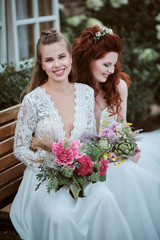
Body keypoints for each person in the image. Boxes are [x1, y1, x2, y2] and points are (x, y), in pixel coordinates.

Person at [10, 28, 134, 240]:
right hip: (45, 178)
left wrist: (87, 163)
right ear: (42, 65)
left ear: (70, 57)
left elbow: (90, 140)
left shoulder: (85, 93)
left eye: (61, 57)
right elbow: (19, 148)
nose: (57, 65)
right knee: (62, 216)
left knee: (105, 199)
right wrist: (50, 163)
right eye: (49, 60)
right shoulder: (33, 100)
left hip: (80, 175)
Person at [72, 25, 160, 240]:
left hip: (113, 154)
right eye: (106, 64)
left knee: (130, 175)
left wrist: (127, 147)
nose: (111, 70)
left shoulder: (119, 86)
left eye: (114, 63)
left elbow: (121, 127)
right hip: (85, 158)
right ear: (89, 60)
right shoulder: (74, 89)